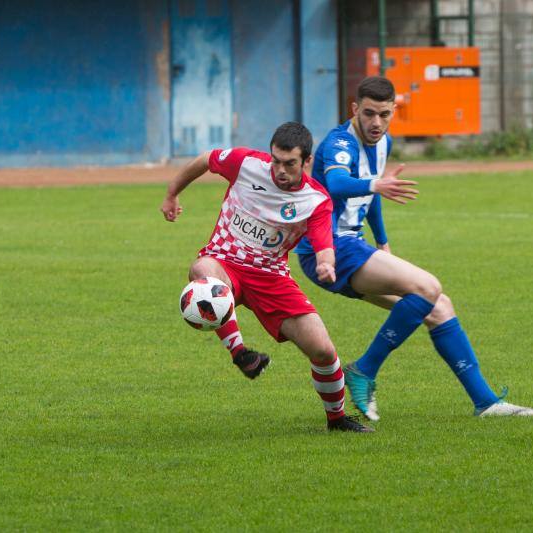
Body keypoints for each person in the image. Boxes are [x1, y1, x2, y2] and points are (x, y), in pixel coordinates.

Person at [295, 77, 533, 420]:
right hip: (327, 248)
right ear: (355, 110)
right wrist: (376, 185)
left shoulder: (382, 142)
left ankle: (486, 402)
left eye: (384, 114)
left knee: (439, 306)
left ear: (394, 110)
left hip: (353, 245)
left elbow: (371, 195)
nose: (376, 122)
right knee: (428, 287)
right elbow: (338, 183)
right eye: (368, 113)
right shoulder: (340, 142)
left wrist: (382, 240)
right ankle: (364, 370)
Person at [160, 122, 373, 433]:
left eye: (289, 163)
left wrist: (327, 265)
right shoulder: (246, 163)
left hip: (271, 278)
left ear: (307, 162)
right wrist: (171, 193)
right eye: (276, 160)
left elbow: (324, 245)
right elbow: (207, 159)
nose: (280, 169)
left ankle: (337, 419)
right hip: (225, 262)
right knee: (202, 272)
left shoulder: (316, 201)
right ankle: (241, 354)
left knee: (323, 349)